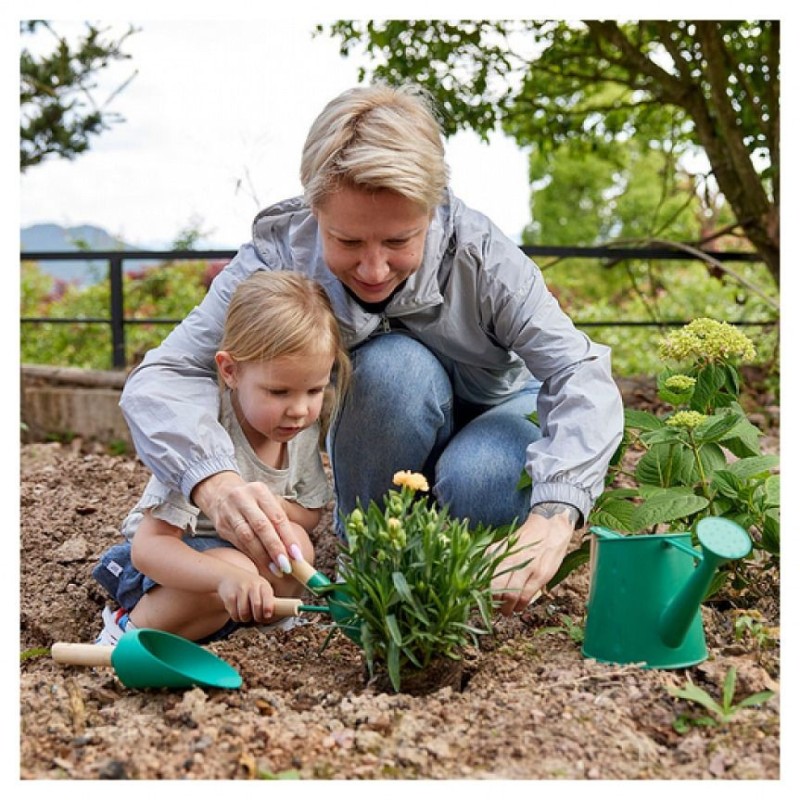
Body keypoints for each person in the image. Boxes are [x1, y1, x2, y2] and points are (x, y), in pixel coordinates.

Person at [120, 83, 624, 617]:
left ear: (432, 209)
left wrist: (554, 516)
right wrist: (214, 482)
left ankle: (451, 569)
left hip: (498, 408)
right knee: (390, 369)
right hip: (391, 413)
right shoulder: (280, 255)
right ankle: (370, 564)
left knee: (480, 482)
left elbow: (578, 371)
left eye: (400, 241)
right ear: (314, 208)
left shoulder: (482, 256)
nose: (374, 269)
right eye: (348, 241)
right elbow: (167, 372)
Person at [93, 271, 351, 643]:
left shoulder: (298, 431)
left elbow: (310, 512)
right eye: (278, 392)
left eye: (314, 390)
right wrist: (227, 576)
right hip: (170, 566)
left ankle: (266, 627)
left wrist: (269, 508)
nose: (299, 409)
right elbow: (150, 548)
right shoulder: (200, 434)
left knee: (294, 541)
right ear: (230, 371)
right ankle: (129, 631)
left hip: (239, 572)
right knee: (237, 563)